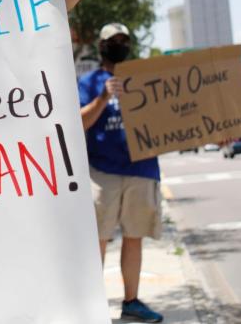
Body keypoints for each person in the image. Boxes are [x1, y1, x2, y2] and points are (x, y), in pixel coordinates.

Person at [78, 23, 164, 323]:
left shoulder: (145, 79)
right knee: (97, 239)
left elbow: (176, 116)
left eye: (124, 40)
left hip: (142, 168)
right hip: (102, 171)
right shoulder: (89, 82)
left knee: (134, 236)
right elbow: (78, 123)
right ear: (101, 46)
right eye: (113, 40)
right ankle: (92, 308)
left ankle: (131, 301)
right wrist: (102, 98)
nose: (119, 44)